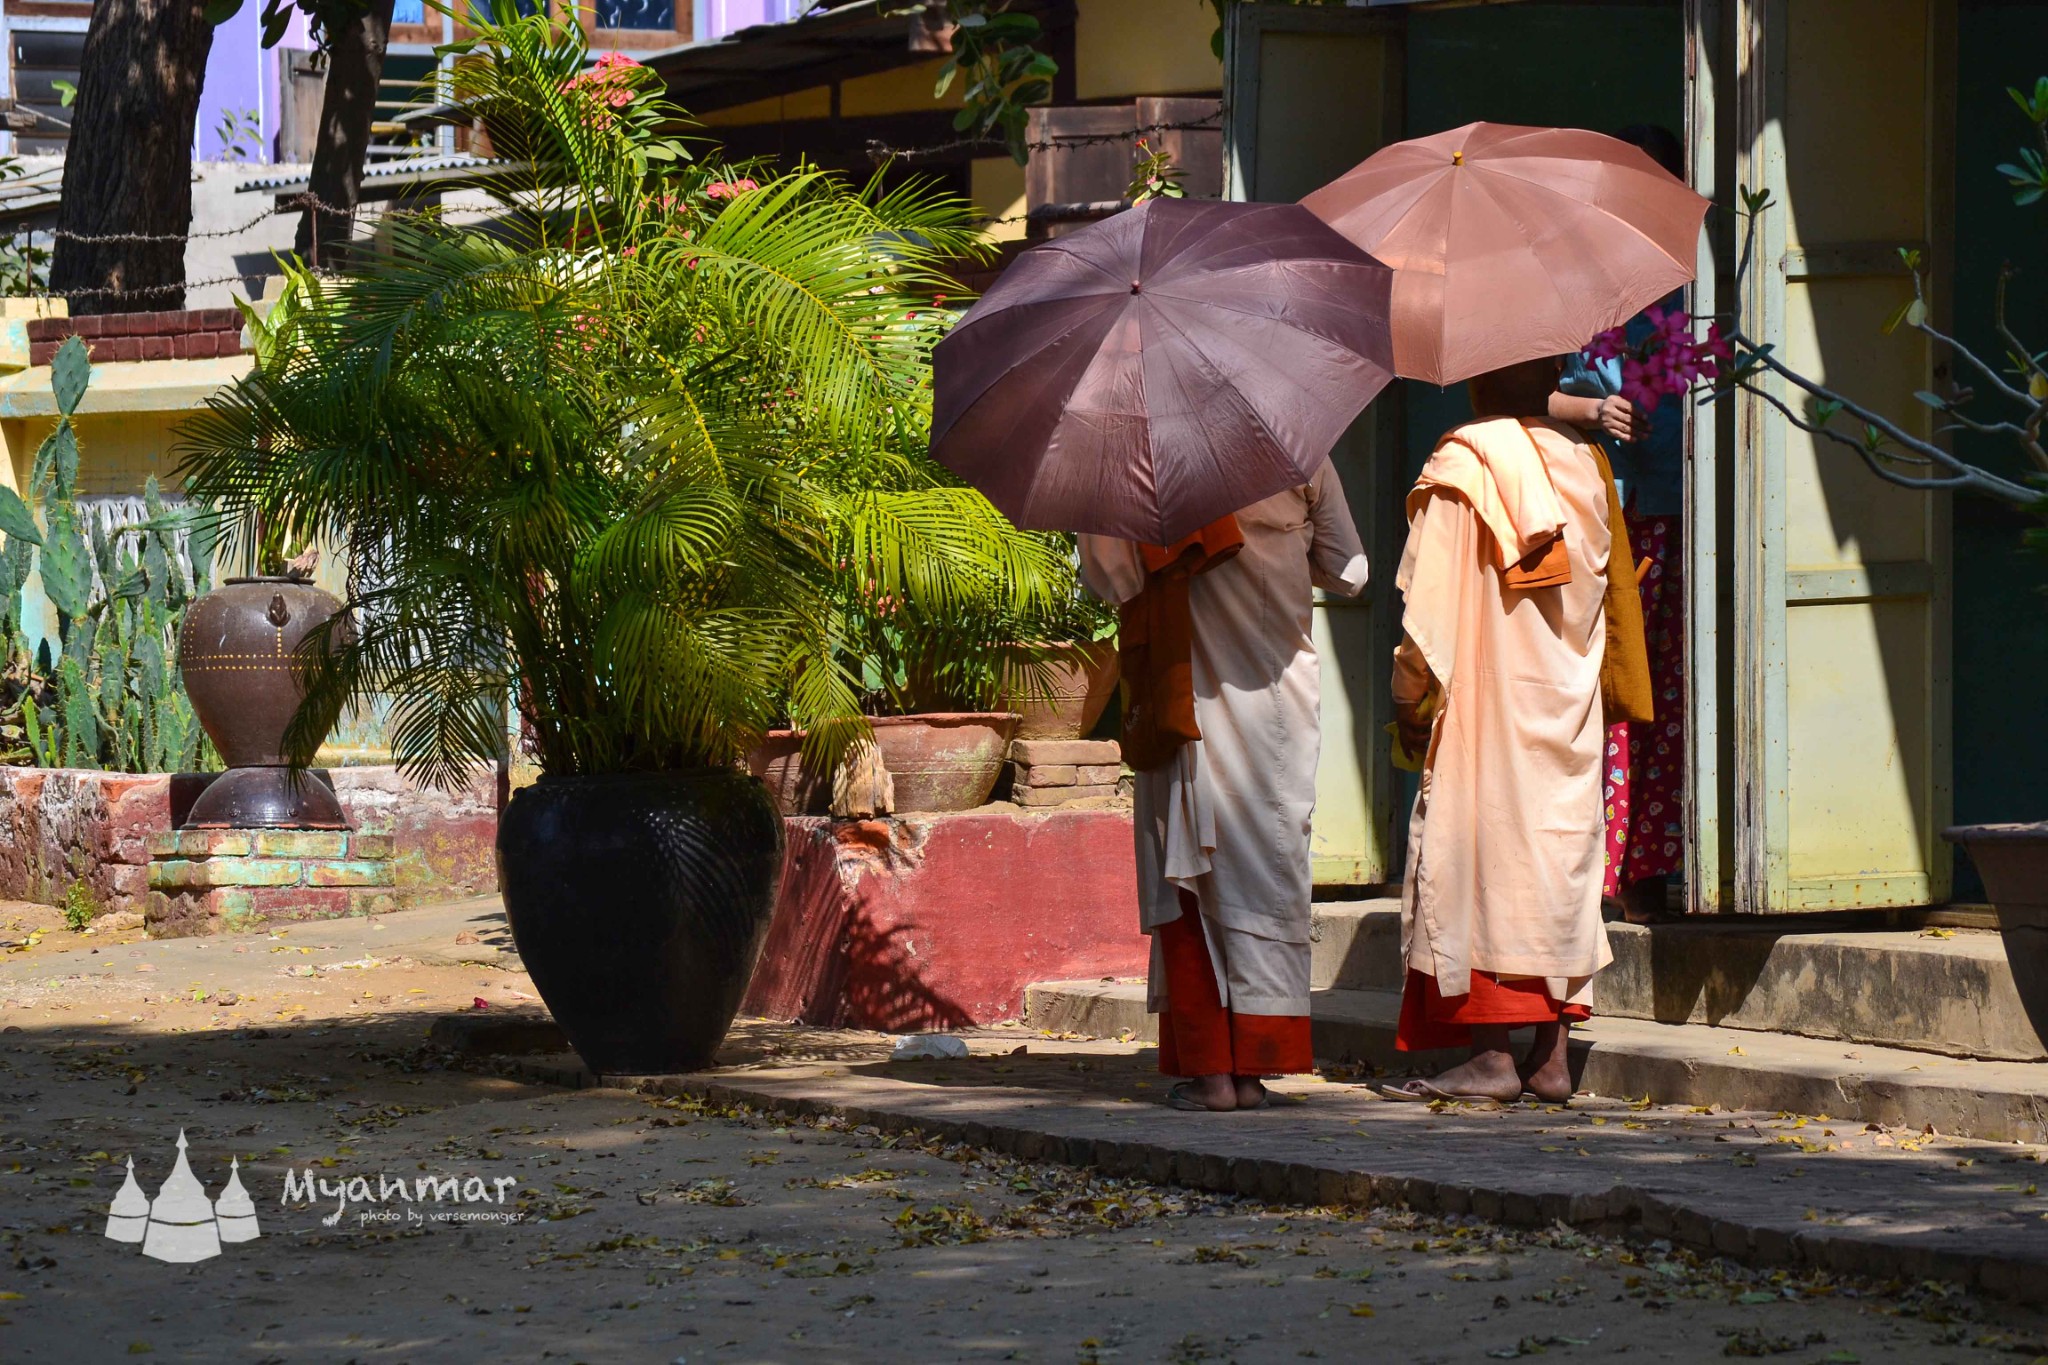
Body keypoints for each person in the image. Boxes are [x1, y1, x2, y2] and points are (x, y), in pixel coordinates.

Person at [1380, 355, 1647, 1106]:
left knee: (1481, 867)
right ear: (1553, 378)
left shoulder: (1465, 466)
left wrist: (1408, 697)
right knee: (1555, 868)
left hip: (1487, 709)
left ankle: (1492, 1056)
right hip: (1566, 701)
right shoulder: (1589, 470)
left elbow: (1425, 624)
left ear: (1476, 381)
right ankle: (1551, 1056)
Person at [1080, 464, 1368, 1113]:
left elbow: (1110, 578)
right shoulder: (1301, 449)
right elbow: (1352, 571)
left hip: (1189, 700)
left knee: (1190, 872)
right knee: (1271, 874)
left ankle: (1211, 1073)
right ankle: (1257, 1067)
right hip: (1281, 706)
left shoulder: (1141, 460)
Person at [1547, 123, 1690, 925]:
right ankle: (1606, 867)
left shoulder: (1697, 284)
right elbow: (1542, 391)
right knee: (1613, 688)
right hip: (1618, 519)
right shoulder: (1588, 289)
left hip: (1684, 515)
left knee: (1665, 694)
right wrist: (1596, 409)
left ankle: (1651, 864)